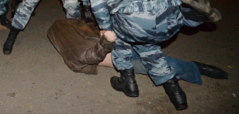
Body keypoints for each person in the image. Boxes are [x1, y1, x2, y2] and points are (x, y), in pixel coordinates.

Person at [87, 0, 221, 110]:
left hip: (136, 18)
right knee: (147, 43)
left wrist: (105, 28)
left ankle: (128, 82)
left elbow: (97, 2)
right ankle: (175, 91)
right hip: (169, 14)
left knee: (118, 33)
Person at [48, 19, 228, 83]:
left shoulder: (71, 25)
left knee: (153, 55)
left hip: (111, 46)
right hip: (107, 52)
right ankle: (198, 68)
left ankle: (194, 68)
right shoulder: (64, 31)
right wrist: (107, 41)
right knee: (155, 65)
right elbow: (85, 56)